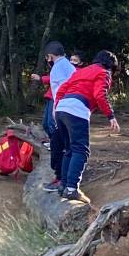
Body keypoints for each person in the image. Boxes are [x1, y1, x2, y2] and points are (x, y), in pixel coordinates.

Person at [52, 51, 120, 201]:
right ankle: (71, 189)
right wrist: (110, 116)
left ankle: (63, 186)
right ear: (111, 66)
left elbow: (62, 89)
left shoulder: (81, 71)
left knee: (69, 149)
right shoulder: (104, 73)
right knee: (81, 150)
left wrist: (57, 109)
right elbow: (99, 95)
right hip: (77, 110)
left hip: (61, 108)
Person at [35, 43, 78, 190]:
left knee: (58, 146)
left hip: (63, 111)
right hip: (73, 110)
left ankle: (61, 179)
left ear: (50, 56)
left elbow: (59, 91)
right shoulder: (69, 67)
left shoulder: (57, 69)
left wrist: (56, 112)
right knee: (66, 145)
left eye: (47, 57)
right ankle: (64, 178)